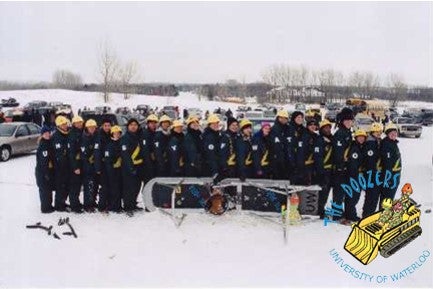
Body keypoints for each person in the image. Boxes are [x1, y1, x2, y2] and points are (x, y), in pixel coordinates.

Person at [331, 107, 354, 221]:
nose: (349, 122)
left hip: (346, 168)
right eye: (347, 120)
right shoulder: (340, 133)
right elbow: (338, 153)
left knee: (343, 191)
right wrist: (342, 164)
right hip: (340, 168)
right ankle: (336, 215)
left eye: (351, 120)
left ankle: (340, 212)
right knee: (338, 193)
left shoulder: (347, 132)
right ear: (342, 121)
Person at [342, 129, 367, 224]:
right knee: (353, 196)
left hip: (358, 175)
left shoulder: (361, 147)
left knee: (354, 196)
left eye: (363, 137)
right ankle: (350, 215)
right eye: (359, 137)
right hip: (354, 176)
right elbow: (353, 165)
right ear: (356, 138)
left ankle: (350, 214)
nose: (361, 139)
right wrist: (355, 177)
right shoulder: (355, 149)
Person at [121, 118, 144, 216]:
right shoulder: (125, 138)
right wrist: (131, 168)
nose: (133, 126)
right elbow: (125, 154)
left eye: (135, 125)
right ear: (128, 126)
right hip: (128, 167)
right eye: (131, 125)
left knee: (136, 187)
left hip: (139, 167)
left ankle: (133, 204)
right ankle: (128, 207)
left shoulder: (138, 137)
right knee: (128, 188)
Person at [362, 122, 383, 218]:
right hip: (371, 173)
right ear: (372, 132)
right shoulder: (370, 143)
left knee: (374, 195)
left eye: (379, 132)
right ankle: (367, 214)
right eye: (376, 132)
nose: (378, 133)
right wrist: (373, 173)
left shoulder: (377, 141)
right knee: (371, 195)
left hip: (376, 173)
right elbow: (370, 160)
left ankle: (370, 213)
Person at [313, 119, 334, 219]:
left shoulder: (331, 139)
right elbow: (317, 157)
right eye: (325, 127)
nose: (328, 129)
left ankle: (322, 209)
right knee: (322, 192)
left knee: (326, 192)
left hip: (331, 170)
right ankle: (320, 211)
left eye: (329, 127)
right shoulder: (319, 140)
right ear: (321, 129)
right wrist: (320, 171)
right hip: (323, 170)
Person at [51, 115, 71, 212]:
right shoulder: (56, 136)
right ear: (59, 125)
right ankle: (59, 205)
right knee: (60, 186)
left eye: (65, 124)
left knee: (66, 186)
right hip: (59, 167)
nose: (65, 126)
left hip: (67, 166)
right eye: (63, 124)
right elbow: (59, 154)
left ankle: (62, 202)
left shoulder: (66, 134)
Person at [379, 122, 401, 203]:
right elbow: (387, 163)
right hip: (390, 176)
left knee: (390, 196)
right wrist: (388, 178)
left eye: (395, 133)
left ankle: (386, 212)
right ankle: (384, 213)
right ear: (387, 134)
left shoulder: (392, 142)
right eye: (391, 133)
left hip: (395, 175)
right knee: (387, 195)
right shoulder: (386, 144)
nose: (394, 134)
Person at [35, 126, 54, 213]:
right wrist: (45, 173)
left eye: (48, 133)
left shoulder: (48, 142)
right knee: (44, 190)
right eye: (45, 133)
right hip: (42, 172)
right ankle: (45, 208)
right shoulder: (43, 145)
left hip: (48, 171)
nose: (47, 135)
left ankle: (49, 205)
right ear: (42, 134)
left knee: (48, 189)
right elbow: (43, 161)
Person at [81, 119, 99, 212]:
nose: (92, 129)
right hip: (87, 166)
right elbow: (83, 154)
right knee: (88, 186)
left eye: (93, 127)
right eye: (90, 127)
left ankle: (92, 202)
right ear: (87, 128)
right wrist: (87, 165)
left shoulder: (97, 136)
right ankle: (87, 205)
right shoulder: (84, 137)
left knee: (94, 186)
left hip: (96, 165)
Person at [94, 119, 112, 212]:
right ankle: (101, 205)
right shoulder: (99, 136)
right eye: (105, 125)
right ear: (102, 126)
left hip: (110, 165)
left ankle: (109, 203)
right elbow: (97, 153)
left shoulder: (111, 135)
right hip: (102, 165)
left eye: (109, 125)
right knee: (104, 186)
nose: (107, 127)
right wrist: (98, 167)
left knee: (110, 185)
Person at [104, 125, 123, 213]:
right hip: (112, 170)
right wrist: (114, 163)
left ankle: (118, 205)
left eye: (118, 133)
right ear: (112, 134)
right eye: (115, 133)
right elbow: (107, 157)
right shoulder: (109, 144)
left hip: (121, 169)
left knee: (119, 188)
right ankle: (113, 206)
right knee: (113, 188)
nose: (117, 135)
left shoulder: (122, 143)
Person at [68, 116, 85, 213]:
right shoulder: (72, 134)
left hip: (81, 162)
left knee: (78, 186)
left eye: (81, 122)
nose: (79, 124)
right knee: (75, 186)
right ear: (74, 124)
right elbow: (71, 153)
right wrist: (75, 167)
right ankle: (74, 206)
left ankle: (76, 203)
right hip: (75, 164)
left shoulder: (81, 132)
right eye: (77, 122)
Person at [295, 119, 318, 185]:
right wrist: (301, 166)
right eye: (311, 125)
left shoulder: (316, 136)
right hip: (304, 166)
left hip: (313, 165)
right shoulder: (303, 136)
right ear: (307, 126)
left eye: (314, 125)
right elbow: (301, 152)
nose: (313, 126)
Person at [269, 110, 291, 179]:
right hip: (276, 161)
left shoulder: (289, 129)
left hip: (287, 160)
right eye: (282, 118)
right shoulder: (274, 129)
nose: (284, 120)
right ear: (278, 118)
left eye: (285, 118)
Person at [140, 114, 158, 185]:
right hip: (147, 165)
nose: (153, 125)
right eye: (151, 123)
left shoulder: (155, 133)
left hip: (154, 163)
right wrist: (149, 164)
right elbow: (145, 151)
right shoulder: (145, 134)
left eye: (155, 123)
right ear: (148, 124)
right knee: (148, 183)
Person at [289, 111, 306, 184]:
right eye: (298, 117)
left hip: (302, 162)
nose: (300, 119)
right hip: (291, 162)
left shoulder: (304, 129)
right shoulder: (289, 128)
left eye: (302, 117)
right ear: (294, 118)